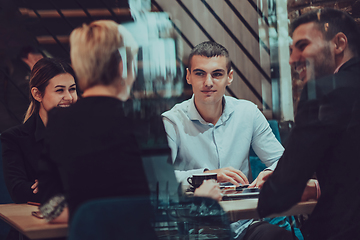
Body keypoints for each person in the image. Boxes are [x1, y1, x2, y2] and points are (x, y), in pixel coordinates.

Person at [162, 41, 296, 239]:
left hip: (244, 224)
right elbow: (161, 181)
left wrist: (269, 173)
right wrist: (208, 175)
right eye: (200, 74)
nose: (208, 82)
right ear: (188, 76)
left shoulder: (247, 112)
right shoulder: (172, 121)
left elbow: (284, 162)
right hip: (197, 228)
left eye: (216, 74)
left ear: (229, 77)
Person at [258, 8, 360, 239]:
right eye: (291, 50)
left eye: (302, 46)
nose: (292, 59)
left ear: (339, 43)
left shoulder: (325, 92)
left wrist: (270, 191)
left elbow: (282, 191)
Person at [37, 20, 152, 226]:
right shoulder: (143, 119)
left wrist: (93, 213)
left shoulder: (58, 121)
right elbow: (163, 203)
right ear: (122, 66)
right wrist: (202, 197)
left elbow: (50, 209)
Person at [1, 57, 78, 204]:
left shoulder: (85, 133)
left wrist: (51, 185)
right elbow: (19, 191)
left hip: (78, 218)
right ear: (37, 94)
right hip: (34, 221)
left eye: (72, 89)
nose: (69, 97)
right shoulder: (13, 138)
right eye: (60, 90)